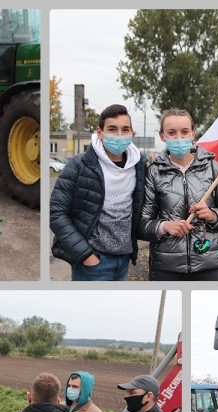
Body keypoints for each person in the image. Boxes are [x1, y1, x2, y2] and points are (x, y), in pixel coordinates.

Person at [138, 108, 218, 281]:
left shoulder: (214, 169)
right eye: (172, 132)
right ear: (162, 136)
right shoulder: (153, 172)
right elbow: (141, 224)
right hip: (166, 266)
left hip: (209, 262)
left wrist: (212, 215)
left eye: (184, 132)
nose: (179, 138)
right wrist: (164, 227)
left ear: (193, 133)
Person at [50, 104, 146, 281]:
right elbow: (56, 213)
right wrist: (86, 256)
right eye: (112, 129)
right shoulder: (79, 165)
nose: (119, 135)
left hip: (123, 261)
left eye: (125, 129)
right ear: (100, 132)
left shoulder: (140, 165)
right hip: (93, 263)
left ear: (132, 133)